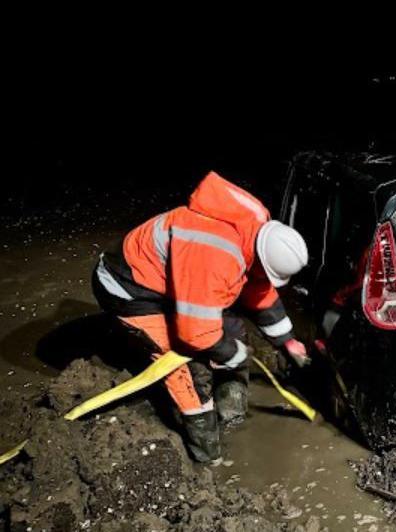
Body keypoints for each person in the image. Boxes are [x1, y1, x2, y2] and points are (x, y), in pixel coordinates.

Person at [91, 171, 310, 463]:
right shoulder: (213, 255)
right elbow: (194, 333)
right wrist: (232, 353)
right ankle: (208, 455)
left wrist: (287, 340)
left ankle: (231, 411)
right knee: (183, 372)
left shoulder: (254, 229)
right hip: (127, 287)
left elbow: (258, 289)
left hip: (176, 279)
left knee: (232, 332)